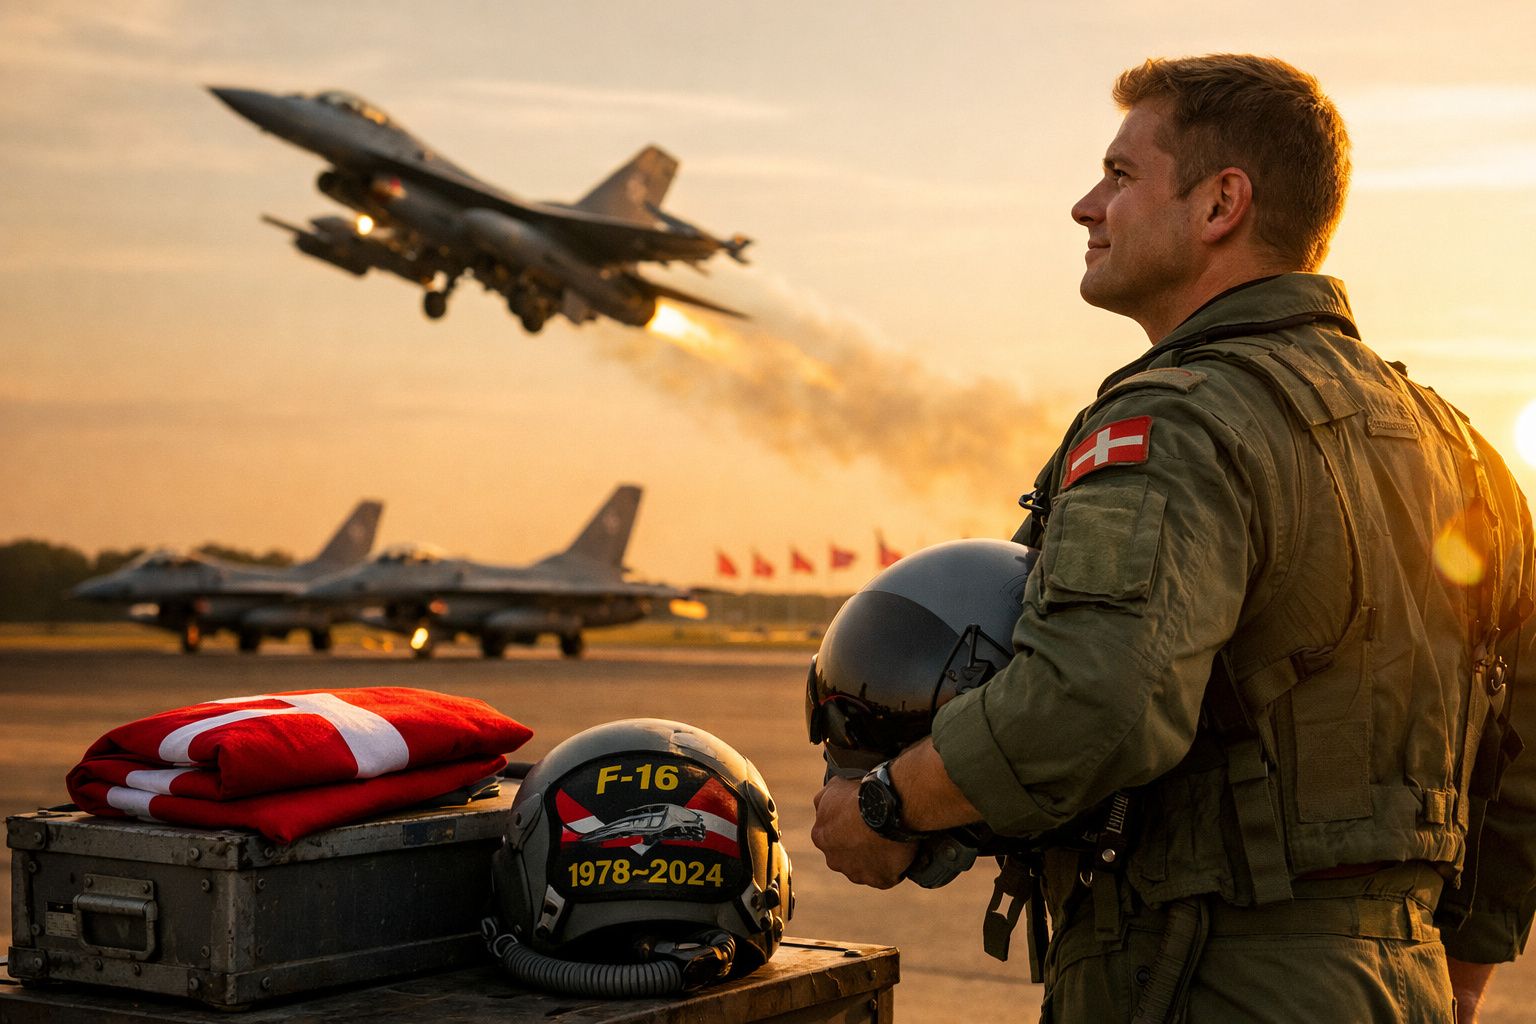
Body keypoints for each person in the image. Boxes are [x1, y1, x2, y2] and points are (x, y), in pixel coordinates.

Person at [811, 54, 1536, 1022]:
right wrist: (1462, 964)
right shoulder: (1470, 455)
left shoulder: (1174, 427)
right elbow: (1521, 749)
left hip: (1198, 982)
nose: (1085, 205)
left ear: (1220, 204)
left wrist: (890, 803)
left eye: (1119, 175)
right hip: (1397, 982)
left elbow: (1096, 699)